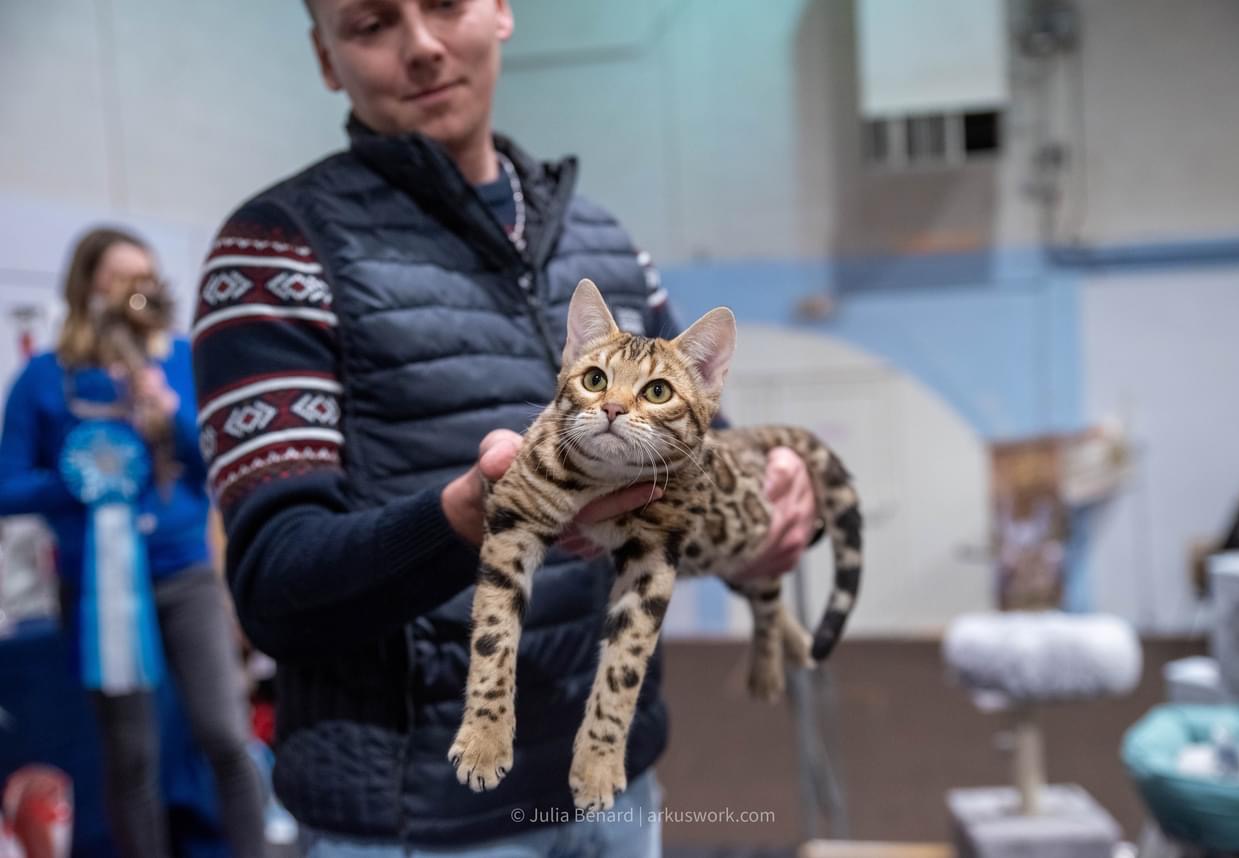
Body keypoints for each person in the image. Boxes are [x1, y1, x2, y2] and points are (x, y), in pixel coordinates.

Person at [191, 1, 817, 854]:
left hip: (615, 788)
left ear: (500, 10)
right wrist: (464, 519)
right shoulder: (274, 251)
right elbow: (272, 584)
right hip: (420, 817)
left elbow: (697, 459)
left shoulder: (604, 242)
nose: (421, 46)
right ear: (326, 56)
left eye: (446, 4)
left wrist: (767, 513)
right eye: (372, 22)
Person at [0, 228, 265, 858]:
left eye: (144, 278)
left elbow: (219, 469)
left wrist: (167, 413)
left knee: (226, 736)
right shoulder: (46, 378)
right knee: (131, 754)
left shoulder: (177, 359)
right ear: (86, 287)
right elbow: (8, 488)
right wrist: (80, 478)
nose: (133, 293)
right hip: (97, 589)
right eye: (118, 279)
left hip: (187, 576)